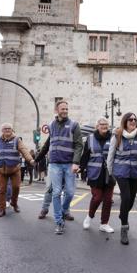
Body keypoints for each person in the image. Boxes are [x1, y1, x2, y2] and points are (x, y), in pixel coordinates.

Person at [35, 100, 83, 234]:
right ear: (57, 110)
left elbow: (79, 145)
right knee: (55, 192)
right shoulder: (51, 125)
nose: (65, 111)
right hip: (54, 164)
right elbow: (46, 145)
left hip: (68, 164)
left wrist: (76, 162)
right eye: (63, 109)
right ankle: (59, 222)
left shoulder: (74, 125)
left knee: (70, 192)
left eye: (67, 109)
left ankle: (63, 210)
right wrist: (36, 159)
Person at [107, 112, 137, 245]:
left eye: (135, 119)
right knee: (126, 197)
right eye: (130, 119)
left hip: (134, 171)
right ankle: (124, 227)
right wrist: (110, 172)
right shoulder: (117, 135)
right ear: (125, 121)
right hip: (121, 172)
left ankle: (122, 214)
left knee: (132, 199)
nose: (133, 121)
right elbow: (111, 154)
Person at [0, 123, 35, 218]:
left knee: (16, 187)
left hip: (14, 169)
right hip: (1, 169)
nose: (7, 130)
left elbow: (24, 150)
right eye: (5, 129)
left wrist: (30, 160)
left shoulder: (17, 140)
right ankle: (2, 210)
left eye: (9, 128)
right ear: (2, 131)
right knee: (1, 190)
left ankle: (14, 203)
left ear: (12, 130)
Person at [80, 118, 116, 233]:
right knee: (97, 198)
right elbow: (85, 155)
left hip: (110, 173)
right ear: (97, 126)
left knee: (108, 200)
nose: (105, 126)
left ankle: (104, 224)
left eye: (106, 124)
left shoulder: (114, 137)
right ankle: (89, 216)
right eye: (102, 124)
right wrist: (80, 168)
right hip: (94, 173)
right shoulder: (90, 138)